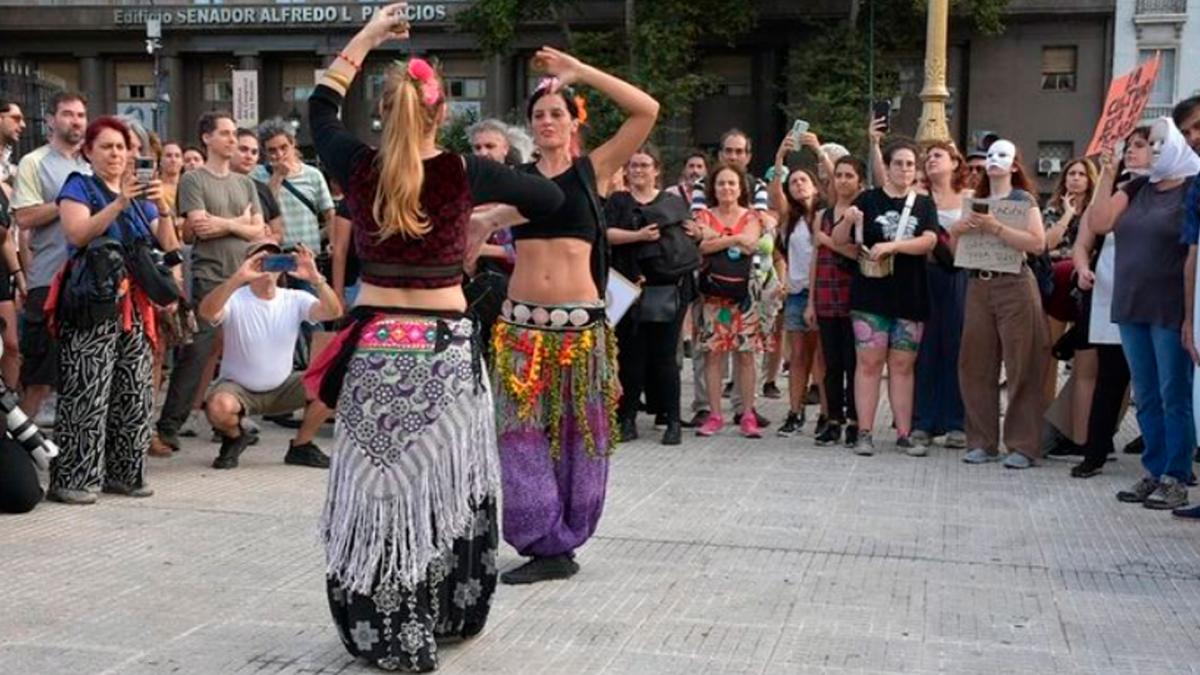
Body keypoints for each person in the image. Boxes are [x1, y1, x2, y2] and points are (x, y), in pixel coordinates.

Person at [309, 7, 565, 669]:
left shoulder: (356, 166)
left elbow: (321, 106)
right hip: (444, 352)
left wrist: (367, 35)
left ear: (387, 111)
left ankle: (382, 624)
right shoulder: (464, 173)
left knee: (379, 489)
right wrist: (486, 220)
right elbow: (553, 201)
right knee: (441, 485)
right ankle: (444, 611)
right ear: (440, 108)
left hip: (378, 350)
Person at [493, 45, 658, 585]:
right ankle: (541, 540)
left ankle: (565, 542)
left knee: (580, 435)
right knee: (519, 434)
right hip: (519, 327)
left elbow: (646, 111)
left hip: (579, 330)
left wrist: (581, 71)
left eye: (556, 113)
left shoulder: (596, 171)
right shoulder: (516, 178)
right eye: (538, 115)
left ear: (573, 123)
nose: (546, 121)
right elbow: (484, 211)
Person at [50, 115, 183, 504]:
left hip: (135, 305)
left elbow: (169, 248)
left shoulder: (144, 198)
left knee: (135, 391)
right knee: (87, 390)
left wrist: (161, 205)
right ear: (88, 151)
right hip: (93, 300)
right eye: (106, 146)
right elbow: (77, 234)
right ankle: (74, 479)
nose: (116, 154)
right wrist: (120, 202)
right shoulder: (80, 186)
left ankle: (125, 473)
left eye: (122, 147)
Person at [1092, 116, 1198, 510]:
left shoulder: (1192, 187)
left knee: (1175, 393)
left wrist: (1192, 316)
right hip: (1132, 303)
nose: (1151, 152)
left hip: (1172, 307)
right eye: (1146, 145)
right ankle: (1154, 470)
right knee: (1146, 394)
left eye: (1157, 144)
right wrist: (1106, 173)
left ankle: (1177, 474)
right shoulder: (1137, 187)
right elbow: (1100, 222)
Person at [153, 112, 267, 455]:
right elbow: (198, 227)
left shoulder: (245, 183)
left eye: (234, 134)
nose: (232, 140)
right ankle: (168, 428)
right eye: (225, 133)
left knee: (246, 350)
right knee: (196, 353)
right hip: (210, 276)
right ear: (206, 138)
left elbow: (258, 230)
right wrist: (239, 222)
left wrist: (232, 225)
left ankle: (230, 422)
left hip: (246, 276)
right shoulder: (194, 180)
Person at [831, 139, 938, 456]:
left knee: (903, 366)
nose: (905, 169)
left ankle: (903, 432)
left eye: (910, 164)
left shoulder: (923, 204)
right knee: (869, 364)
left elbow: (929, 241)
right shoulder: (868, 200)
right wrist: (848, 220)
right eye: (898, 163)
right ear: (886, 167)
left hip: (911, 294)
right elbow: (838, 240)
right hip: (870, 296)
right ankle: (864, 431)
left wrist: (892, 246)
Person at [946, 140, 1048, 470]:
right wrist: (957, 232)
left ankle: (1023, 445)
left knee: (1022, 364)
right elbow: (956, 253)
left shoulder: (1023, 200)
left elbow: (1037, 243)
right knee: (975, 364)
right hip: (978, 283)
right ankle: (981, 441)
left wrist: (998, 228)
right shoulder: (974, 201)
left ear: (1015, 165)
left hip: (1015, 283)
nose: (993, 161)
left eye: (1002, 156)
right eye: (990, 156)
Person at [198, 241, 341, 469]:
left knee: (334, 382)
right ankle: (235, 437)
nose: (268, 266)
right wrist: (237, 278)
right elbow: (206, 312)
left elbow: (334, 312)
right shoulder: (235, 298)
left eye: (275, 260)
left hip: (283, 385)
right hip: (238, 388)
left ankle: (301, 445)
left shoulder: (294, 298)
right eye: (261, 260)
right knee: (219, 407)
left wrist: (316, 278)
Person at [1070, 126, 1151, 478]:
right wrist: (1083, 267)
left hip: (1153, 299)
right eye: (1129, 146)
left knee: (1156, 383)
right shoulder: (1111, 190)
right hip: (1109, 298)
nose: (1132, 152)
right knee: (1109, 379)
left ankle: (1166, 456)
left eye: (1141, 146)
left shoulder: (1169, 191)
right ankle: (1095, 451)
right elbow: (1085, 241)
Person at [687, 130, 776, 429]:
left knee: (746, 354)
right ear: (714, 187)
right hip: (712, 292)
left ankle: (748, 413)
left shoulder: (752, 215)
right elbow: (700, 245)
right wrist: (733, 239)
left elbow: (751, 244)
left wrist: (722, 237)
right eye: (721, 183)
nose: (726, 188)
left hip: (745, 293)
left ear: (741, 188)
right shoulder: (703, 214)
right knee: (713, 354)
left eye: (732, 183)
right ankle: (714, 414)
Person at [11, 91, 90, 426]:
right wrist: (68, 201)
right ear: (51, 120)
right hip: (49, 278)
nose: (76, 121)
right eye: (68, 114)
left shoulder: (91, 163)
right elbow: (25, 217)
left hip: (89, 281)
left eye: (81, 115)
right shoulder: (34, 162)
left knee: (83, 373)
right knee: (40, 374)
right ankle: (13, 451)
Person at [605, 144, 691, 446]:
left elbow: (686, 237)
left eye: (644, 165)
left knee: (665, 358)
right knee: (631, 357)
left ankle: (672, 420)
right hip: (625, 286)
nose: (638, 170)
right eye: (633, 165)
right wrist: (638, 236)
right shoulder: (618, 201)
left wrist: (699, 234)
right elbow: (604, 234)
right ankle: (626, 418)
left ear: (656, 169)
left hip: (665, 288)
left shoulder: (672, 202)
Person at [911, 141, 968, 452]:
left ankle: (958, 422)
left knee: (958, 349)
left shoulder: (970, 199)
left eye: (938, 155)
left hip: (960, 278)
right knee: (925, 349)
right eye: (928, 157)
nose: (931, 160)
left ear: (955, 162)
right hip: (925, 277)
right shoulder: (917, 199)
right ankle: (923, 422)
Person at [768, 135, 825, 437]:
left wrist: (817, 150)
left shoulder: (825, 215)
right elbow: (774, 189)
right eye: (795, 182)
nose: (799, 185)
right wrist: (780, 157)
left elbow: (835, 178)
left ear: (816, 185)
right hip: (797, 293)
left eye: (804, 180)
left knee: (821, 357)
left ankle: (826, 415)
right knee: (799, 356)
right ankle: (795, 411)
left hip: (823, 294)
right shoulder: (789, 219)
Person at [806, 156, 864, 447]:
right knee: (831, 362)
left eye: (849, 175)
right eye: (838, 175)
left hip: (854, 293)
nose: (842, 180)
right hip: (826, 292)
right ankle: (832, 419)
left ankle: (855, 420)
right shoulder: (823, 215)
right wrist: (810, 302)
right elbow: (815, 257)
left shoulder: (862, 212)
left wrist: (827, 240)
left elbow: (858, 251)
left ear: (859, 181)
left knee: (853, 362)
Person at [255, 118, 333, 253]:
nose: (279, 154)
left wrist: (333, 242)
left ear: (293, 143)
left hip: (308, 254)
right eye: (272, 150)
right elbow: (263, 211)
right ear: (265, 151)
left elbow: (329, 214)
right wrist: (277, 176)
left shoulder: (313, 175)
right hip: (274, 254)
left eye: (283, 147)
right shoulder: (257, 175)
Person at [0, 99, 27, 389]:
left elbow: (5, 232)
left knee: (11, 344)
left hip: (4, 265)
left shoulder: (10, 168)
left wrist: (19, 276)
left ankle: (8, 416)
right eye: (15, 117)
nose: (21, 124)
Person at [159, 141, 184, 214]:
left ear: (182, 161)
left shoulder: (190, 186)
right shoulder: (154, 187)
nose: (173, 160)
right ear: (160, 161)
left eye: (177, 156)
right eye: (168, 156)